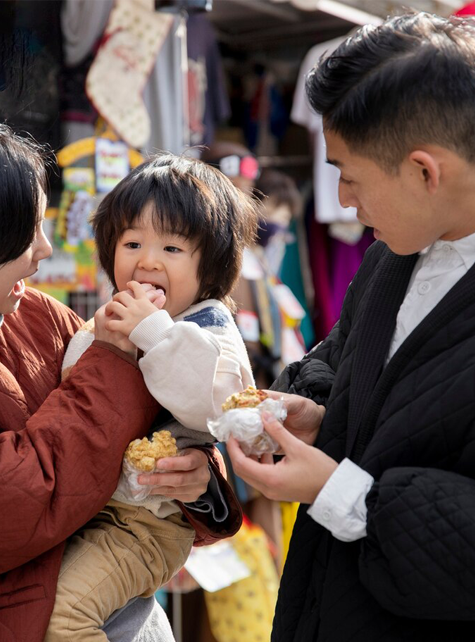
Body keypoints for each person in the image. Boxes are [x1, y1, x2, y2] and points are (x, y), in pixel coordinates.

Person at [0, 117, 242, 642]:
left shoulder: (40, 315)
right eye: (26, 233)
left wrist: (199, 481)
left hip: (126, 612)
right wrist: (114, 359)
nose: (45, 250)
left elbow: (160, 418)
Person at [226, 11, 475, 641]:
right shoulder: (393, 256)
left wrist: (343, 492)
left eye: (349, 174)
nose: (341, 200)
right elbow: (339, 359)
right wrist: (314, 411)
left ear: (426, 171)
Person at [47, 154, 259, 640]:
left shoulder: (209, 327)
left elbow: (220, 405)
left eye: (172, 246)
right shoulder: (104, 320)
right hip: (94, 512)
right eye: (132, 242)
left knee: (61, 617)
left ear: (211, 265)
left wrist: (154, 333)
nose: (147, 260)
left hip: (147, 525)